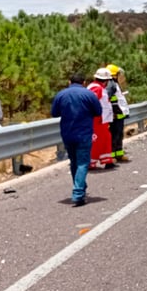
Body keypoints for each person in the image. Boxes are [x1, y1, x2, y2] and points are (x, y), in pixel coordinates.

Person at [51, 73, 102, 207]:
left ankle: (81, 187)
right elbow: (98, 111)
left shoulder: (61, 95)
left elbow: (54, 113)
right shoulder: (89, 94)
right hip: (84, 132)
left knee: (74, 161)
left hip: (67, 133)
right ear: (84, 82)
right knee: (83, 163)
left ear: (69, 82)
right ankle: (78, 193)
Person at [88, 68, 115, 168]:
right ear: (106, 80)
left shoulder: (98, 87)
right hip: (97, 120)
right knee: (96, 142)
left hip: (102, 120)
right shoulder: (96, 88)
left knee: (105, 139)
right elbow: (92, 102)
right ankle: (90, 163)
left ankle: (107, 161)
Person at [106, 63, 131, 162]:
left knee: (119, 135)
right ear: (113, 75)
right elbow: (107, 97)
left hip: (119, 115)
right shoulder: (110, 84)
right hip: (115, 116)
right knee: (114, 136)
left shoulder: (114, 84)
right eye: (117, 74)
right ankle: (112, 156)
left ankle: (119, 154)